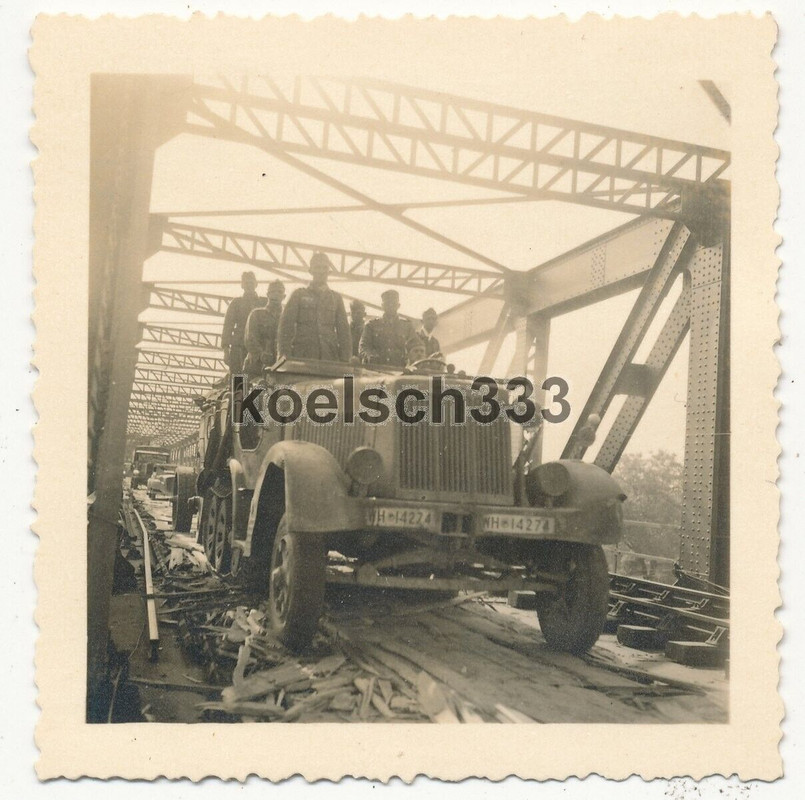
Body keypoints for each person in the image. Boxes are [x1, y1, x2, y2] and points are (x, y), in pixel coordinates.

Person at [277, 252, 351, 362]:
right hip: (302, 357)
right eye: (317, 267)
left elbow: (344, 333)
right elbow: (285, 327)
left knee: (345, 379)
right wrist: (284, 357)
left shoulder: (336, 299)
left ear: (329, 271)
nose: (321, 271)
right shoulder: (298, 295)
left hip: (329, 357)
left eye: (324, 267)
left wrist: (346, 360)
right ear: (311, 271)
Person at [359, 289, 416, 368]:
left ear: (398, 306)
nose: (390, 306)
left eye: (393, 304)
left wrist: (410, 359)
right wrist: (369, 356)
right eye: (387, 304)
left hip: (399, 370)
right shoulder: (371, 325)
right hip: (376, 369)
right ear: (382, 306)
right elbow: (363, 346)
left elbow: (415, 347)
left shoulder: (407, 326)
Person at [243, 279, 285, 379]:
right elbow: (250, 338)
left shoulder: (287, 319)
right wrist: (261, 354)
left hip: (279, 368)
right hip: (255, 366)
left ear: (284, 297)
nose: (276, 294)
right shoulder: (257, 314)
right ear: (268, 294)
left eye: (279, 292)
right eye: (273, 291)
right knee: (243, 392)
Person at [221, 271, 262, 372]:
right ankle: (239, 388)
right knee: (238, 380)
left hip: (259, 347)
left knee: (258, 380)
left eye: (251, 282)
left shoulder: (263, 302)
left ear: (256, 284)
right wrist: (226, 350)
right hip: (239, 346)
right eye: (246, 283)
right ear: (242, 285)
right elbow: (228, 326)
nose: (249, 285)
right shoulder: (236, 303)